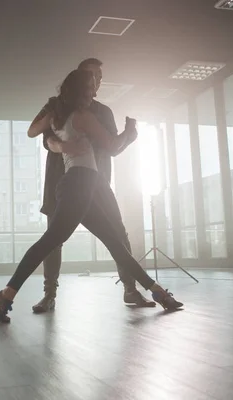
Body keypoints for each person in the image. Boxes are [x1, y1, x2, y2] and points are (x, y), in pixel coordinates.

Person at [0, 69, 183, 323]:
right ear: (79, 89)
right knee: (52, 242)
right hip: (80, 183)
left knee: (114, 244)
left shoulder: (57, 114)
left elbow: (32, 131)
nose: (94, 91)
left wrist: (56, 139)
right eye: (90, 87)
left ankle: (158, 293)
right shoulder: (83, 116)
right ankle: (6, 295)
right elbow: (112, 146)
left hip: (80, 185)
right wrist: (130, 132)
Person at [31, 58, 155, 313]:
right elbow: (44, 138)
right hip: (61, 180)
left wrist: (129, 137)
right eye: (92, 75)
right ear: (78, 78)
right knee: (54, 238)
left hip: (97, 182)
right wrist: (63, 145)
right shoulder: (57, 107)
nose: (97, 81)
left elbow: (113, 148)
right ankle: (49, 294)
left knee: (118, 234)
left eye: (99, 76)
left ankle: (131, 290)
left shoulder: (103, 111)